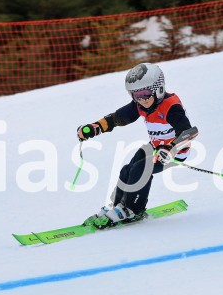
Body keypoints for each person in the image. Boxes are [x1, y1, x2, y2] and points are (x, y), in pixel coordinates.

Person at [77, 63, 197, 229]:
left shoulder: (171, 106)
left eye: (145, 94)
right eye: (135, 95)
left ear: (159, 89)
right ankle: (118, 205)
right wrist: (95, 127)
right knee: (128, 169)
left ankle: (133, 209)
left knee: (141, 169)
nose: (141, 99)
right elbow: (116, 118)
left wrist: (171, 148)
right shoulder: (140, 105)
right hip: (155, 147)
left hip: (174, 152)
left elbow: (189, 132)